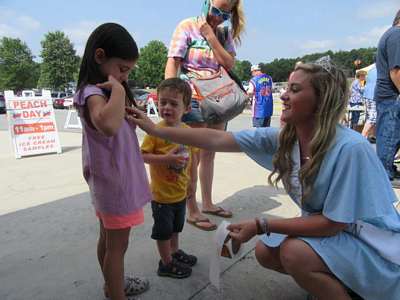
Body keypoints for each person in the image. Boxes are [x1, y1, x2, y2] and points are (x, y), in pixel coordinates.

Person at [126, 58, 400, 300]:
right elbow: (217, 137)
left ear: (321, 99)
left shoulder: (350, 148)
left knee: (294, 253)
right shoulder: (286, 138)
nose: (283, 96)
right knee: (265, 253)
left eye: (295, 89)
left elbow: (332, 224)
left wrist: (261, 223)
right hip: (337, 234)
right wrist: (155, 130)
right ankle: (341, 280)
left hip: (374, 246)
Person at [73, 23, 151, 300]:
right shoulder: (93, 92)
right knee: (117, 247)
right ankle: (116, 290)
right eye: (122, 68)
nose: (125, 76)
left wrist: (124, 103)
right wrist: (118, 90)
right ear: (100, 56)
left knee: (108, 240)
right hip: (115, 184)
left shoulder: (102, 91)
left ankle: (111, 284)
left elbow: (115, 126)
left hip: (110, 181)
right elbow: (106, 125)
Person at [164, 0, 246, 230]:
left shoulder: (222, 32)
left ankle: (208, 203)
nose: (219, 17)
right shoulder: (186, 26)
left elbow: (229, 63)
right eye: (216, 11)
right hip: (194, 98)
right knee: (194, 155)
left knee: (209, 153)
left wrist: (210, 36)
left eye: (226, 14)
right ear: (206, 3)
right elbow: (173, 63)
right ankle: (192, 208)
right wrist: (171, 100)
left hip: (219, 98)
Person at [141, 78, 198, 278]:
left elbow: (193, 161)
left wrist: (193, 183)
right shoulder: (155, 132)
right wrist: (167, 158)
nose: (166, 107)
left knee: (176, 227)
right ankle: (165, 263)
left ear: (187, 107)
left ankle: (174, 253)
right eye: (162, 102)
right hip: (161, 196)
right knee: (163, 231)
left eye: (173, 103)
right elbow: (142, 155)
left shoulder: (188, 133)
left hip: (180, 193)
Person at [374, 10, 400, 188]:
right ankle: (385, 172)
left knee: (391, 133)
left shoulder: (391, 34)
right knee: (390, 135)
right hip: (391, 95)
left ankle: (386, 168)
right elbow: (396, 71)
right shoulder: (397, 35)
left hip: (389, 95)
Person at [361, 63, 377, 142]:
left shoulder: (371, 70)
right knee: (372, 118)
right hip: (373, 95)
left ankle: (372, 136)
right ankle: (362, 137)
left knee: (369, 116)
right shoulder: (381, 69)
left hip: (367, 95)